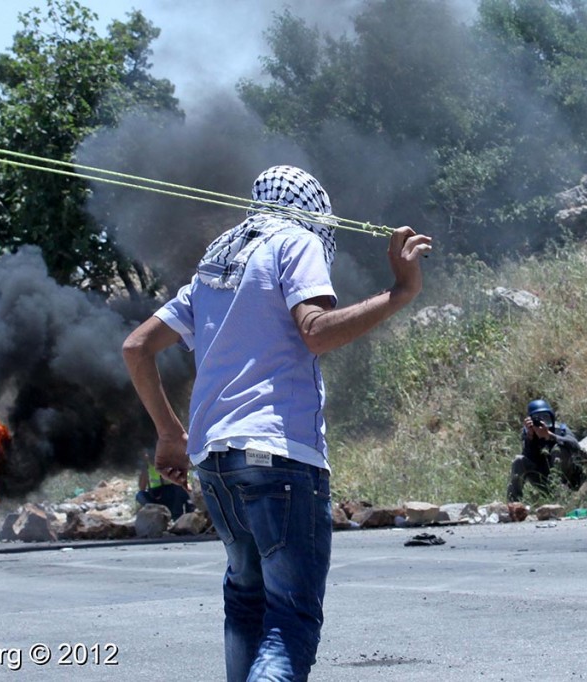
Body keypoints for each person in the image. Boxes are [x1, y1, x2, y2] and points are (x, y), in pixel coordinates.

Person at [122, 165, 432, 681]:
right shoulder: (297, 239)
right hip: (279, 457)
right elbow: (315, 332)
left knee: (246, 604)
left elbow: (136, 347)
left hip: (215, 462)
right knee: (290, 618)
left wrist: (170, 434)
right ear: (314, 214)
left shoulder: (214, 263)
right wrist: (400, 292)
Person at [506, 398, 587, 502]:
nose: (542, 422)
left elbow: (575, 445)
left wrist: (551, 436)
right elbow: (527, 458)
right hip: (543, 479)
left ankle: (561, 496)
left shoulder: (560, 429)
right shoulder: (528, 433)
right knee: (518, 460)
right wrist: (530, 437)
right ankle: (513, 503)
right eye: (537, 418)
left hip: (568, 479)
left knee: (557, 450)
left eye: (545, 417)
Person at [136, 450, 193, 520]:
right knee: (140, 495)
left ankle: (177, 516)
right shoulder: (147, 466)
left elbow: (183, 481)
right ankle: (156, 515)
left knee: (181, 488)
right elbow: (142, 488)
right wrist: (144, 469)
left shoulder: (169, 462)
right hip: (157, 499)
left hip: (172, 497)